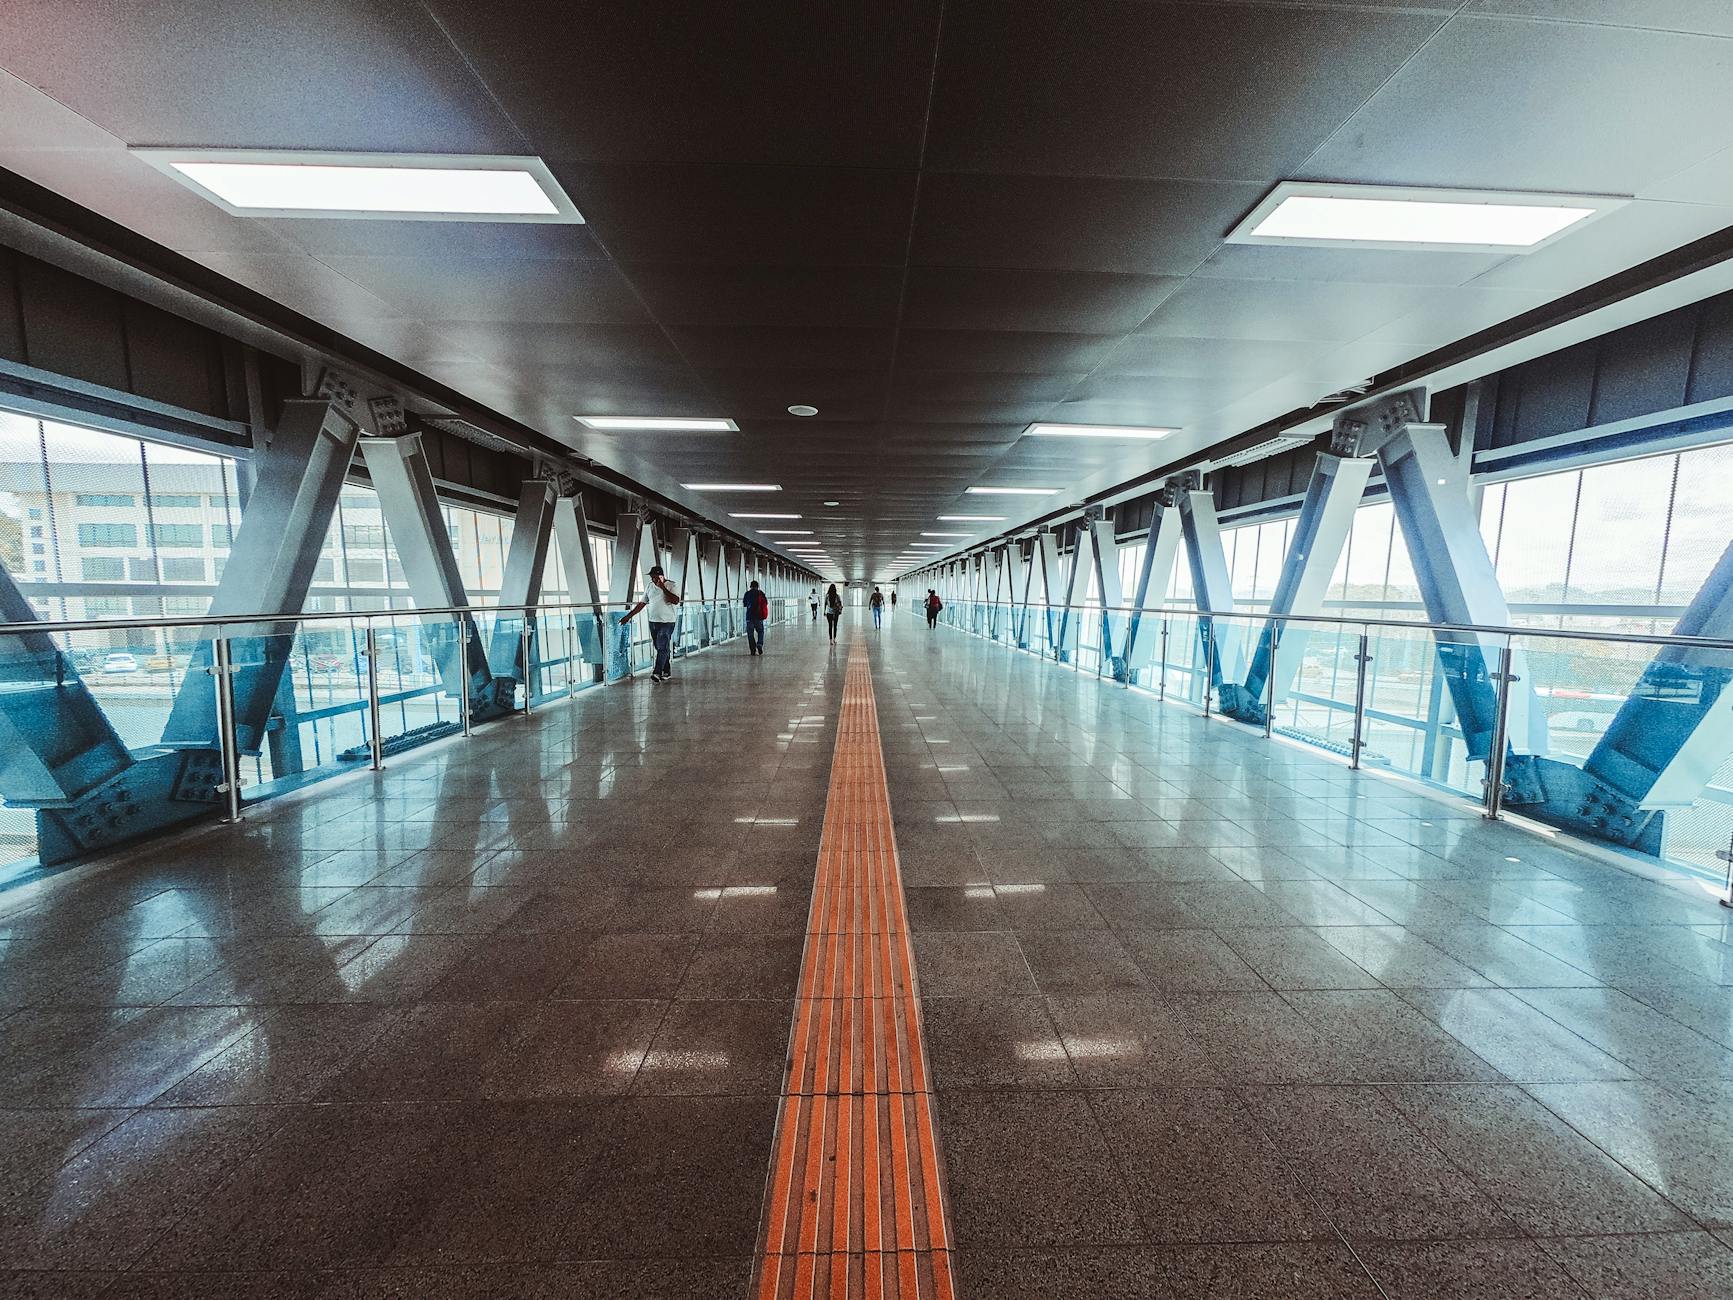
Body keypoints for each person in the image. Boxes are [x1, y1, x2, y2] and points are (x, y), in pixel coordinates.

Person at [619, 563, 682, 682]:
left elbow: (675, 601)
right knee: (660, 647)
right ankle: (666, 670)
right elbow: (642, 603)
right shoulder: (649, 587)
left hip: (667, 622)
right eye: (652, 577)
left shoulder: (671, 585)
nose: (653, 579)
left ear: (662, 577)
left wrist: (663, 587)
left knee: (662, 646)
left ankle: (657, 672)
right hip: (653, 622)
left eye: (656, 577)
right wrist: (628, 616)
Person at [743, 579, 769, 655]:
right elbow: (766, 603)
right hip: (759, 617)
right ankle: (759, 644)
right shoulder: (761, 593)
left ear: (750, 586)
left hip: (749, 617)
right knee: (760, 631)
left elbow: (744, 604)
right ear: (758, 586)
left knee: (750, 634)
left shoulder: (747, 594)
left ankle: (753, 650)